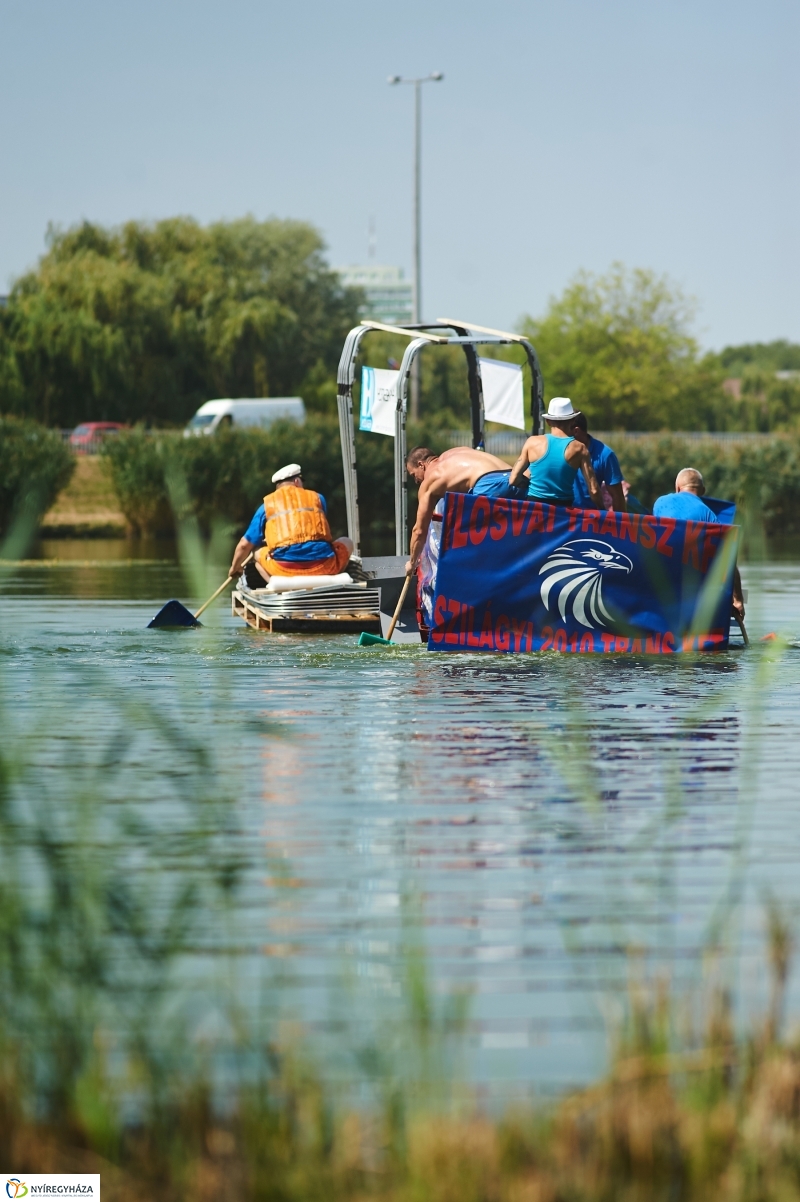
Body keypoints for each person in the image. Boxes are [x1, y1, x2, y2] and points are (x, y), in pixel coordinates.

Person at [405, 445, 525, 573]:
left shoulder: (430, 479)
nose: (416, 481)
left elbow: (419, 530)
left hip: (490, 485)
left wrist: (412, 562)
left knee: (471, 545)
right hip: (516, 478)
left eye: (414, 475)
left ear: (421, 464)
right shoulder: (455, 452)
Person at [228, 463, 353, 585]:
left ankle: (277, 587)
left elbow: (244, 545)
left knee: (256, 551)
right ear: (297, 481)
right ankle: (333, 580)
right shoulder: (318, 498)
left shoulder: (266, 505)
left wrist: (235, 567)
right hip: (324, 565)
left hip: (284, 570)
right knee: (347, 541)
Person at [653, 468, 745, 621]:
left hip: (660, 576)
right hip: (691, 583)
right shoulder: (709, 515)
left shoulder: (660, 502)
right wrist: (737, 599)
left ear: (677, 488)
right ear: (703, 491)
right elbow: (726, 562)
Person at [508, 397, 603, 509]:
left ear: (548, 421)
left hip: (534, 510)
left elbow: (513, 479)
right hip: (562, 512)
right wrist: (603, 511)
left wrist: (528, 485)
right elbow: (594, 490)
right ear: (572, 421)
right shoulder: (580, 449)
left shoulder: (532, 442)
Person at [570, 414, 626, 512]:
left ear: (576, 431)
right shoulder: (556, 450)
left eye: (563, 430)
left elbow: (617, 496)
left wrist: (617, 525)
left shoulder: (605, 454)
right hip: (561, 518)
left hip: (590, 520)